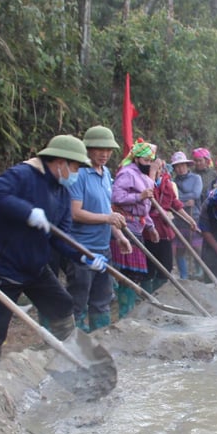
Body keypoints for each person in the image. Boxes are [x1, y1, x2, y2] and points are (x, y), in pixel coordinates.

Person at [0, 134, 108, 371]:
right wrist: (27, 212)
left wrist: (84, 258)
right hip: (3, 266)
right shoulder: (23, 175)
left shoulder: (62, 193)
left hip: (35, 266)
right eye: (76, 167)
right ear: (60, 162)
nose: (76, 173)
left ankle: (69, 358)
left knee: (62, 304)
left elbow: (62, 238)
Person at [65, 125, 128, 332]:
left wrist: (118, 234)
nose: (104, 154)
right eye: (99, 149)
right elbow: (76, 212)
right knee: (79, 300)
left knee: (102, 300)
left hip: (103, 248)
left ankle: (100, 340)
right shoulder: (79, 173)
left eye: (108, 150)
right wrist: (108, 218)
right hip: (82, 249)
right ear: (88, 149)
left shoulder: (105, 173)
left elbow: (105, 208)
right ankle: (76, 343)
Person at [110, 140, 159, 318]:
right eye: (145, 161)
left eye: (150, 160)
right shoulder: (127, 173)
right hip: (125, 226)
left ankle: (129, 312)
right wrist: (139, 195)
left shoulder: (142, 176)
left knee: (136, 274)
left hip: (139, 226)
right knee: (129, 274)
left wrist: (151, 227)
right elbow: (116, 197)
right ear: (137, 159)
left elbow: (145, 207)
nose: (148, 164)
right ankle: (125, 314)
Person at [144, 157, 185, 293]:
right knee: (149, 267)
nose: (158, 171)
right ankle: (147, 295)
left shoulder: (167, 183)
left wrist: (189, 220)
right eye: (155, 167)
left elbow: (175, 203)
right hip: (148, 231)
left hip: (165, 230)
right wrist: (152, 172)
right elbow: (146, 201)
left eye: (160, 168)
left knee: (166, 266)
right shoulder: (144, 182)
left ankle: (159, 293)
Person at [172, 151, 203, 279]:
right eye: (177, 166)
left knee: (197, 247)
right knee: (180, 249)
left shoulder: (197, 178)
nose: (180, 168)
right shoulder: (173, 182)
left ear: (187, 165)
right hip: (179, 218)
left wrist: (180, 201)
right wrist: (184, 203)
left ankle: (199, 271)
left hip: (194, 215)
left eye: (182, 165)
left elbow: (196, 194)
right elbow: (174, 198)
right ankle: (183, 275)